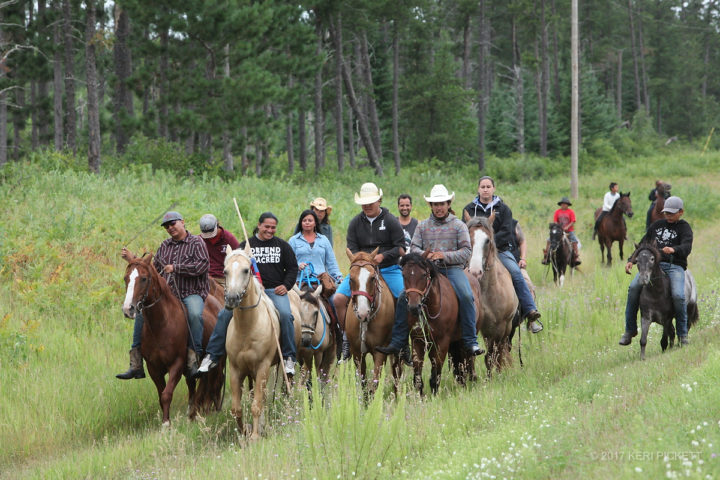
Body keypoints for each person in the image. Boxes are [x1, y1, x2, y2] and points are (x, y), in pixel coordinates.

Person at [377, 185, 484, 357]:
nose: (438, 207)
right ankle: (398, 341)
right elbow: (414, 247)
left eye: (441, 203)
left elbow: (466, 251)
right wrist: (425, 255)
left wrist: (444, 255)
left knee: (466, 295)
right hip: (426, 271)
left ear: (448, 204)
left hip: (453, 270)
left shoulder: (459, 226)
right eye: (435, 204)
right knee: (405, 296)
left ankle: (470, 340)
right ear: (431, 206)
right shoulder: (422, 226)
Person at [199, 213, 299, 377]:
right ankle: (212, 355)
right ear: (259, 225)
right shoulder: (246, 246)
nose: (270, 230)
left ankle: (288, 357)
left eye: (273, 227)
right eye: (266, 227)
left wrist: (286, 285)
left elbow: (292, 268)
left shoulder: (282, 245)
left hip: (274, 290)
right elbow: (236, 267)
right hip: (250, 293)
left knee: (286, 315)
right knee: (224, 314)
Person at [117, 211, 209, 380]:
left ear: (182, 222)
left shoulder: (197, 242)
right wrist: (133, 260)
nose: (170, 228)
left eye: (173, 224)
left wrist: (177, 268)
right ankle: (136, 362)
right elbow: (152, 270)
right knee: (141, 314)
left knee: (195, 314)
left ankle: (193, 358)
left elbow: (202, 266)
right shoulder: (165, 245)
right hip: (168, 295)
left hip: (191, 292)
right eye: (167, 226)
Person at [463, 176, 543, 333]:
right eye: (482, 186)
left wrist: (489, 242)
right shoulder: (469, 209)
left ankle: (530, 311)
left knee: (515, 273)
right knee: (458, 275)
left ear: (493, 189)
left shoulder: (504, 209)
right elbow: (465, 231)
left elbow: (507, 232)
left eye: (488, 186)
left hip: (501, 250)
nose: (485, 189)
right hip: (475, 251)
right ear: (478, 189)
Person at [333, 182, 406, 336]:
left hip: (389, 268)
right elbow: (352, 248)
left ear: (379, 201)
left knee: (404, 297)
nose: (367, 206)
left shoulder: (391, 220)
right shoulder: (355, 223)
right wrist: (365, 260)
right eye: (364, 203)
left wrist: (383, 256)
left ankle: (401, 338)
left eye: (370, 202)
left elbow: (401, 247)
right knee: (338, 299)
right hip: (361, 270)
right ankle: (346, 336)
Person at [619, 196, 693, 346]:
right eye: (666, 213)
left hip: (674, 266)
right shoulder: (657, 225)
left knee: (679, 296)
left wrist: (674, 249)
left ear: (681, 212)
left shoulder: (684, 228)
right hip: (651, 267)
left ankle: (682, 334)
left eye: (672, 213)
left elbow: (687, 247)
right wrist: (631, 260)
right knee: (633, 288)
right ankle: (629, 330)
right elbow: (642, 245)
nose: (668, 216)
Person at [288, 209, 343, 285]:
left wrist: (339, 278)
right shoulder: (293, 240)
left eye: (310, 220)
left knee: (336, 296)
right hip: (299, 281)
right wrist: (298, 265)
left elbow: (331, 262)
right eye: (304, 220)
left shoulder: (324, 240)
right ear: (301, 223)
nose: (307, 222)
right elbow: (288, 262)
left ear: (315, 223)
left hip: (321, 281)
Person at [198, 214, 240, 288]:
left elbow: (239, 256)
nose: (209, 236)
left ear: (217, 225)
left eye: (211, 233)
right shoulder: (199, 240)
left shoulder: (228, 238)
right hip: (205, 278)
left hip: (224, 278)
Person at [542, 197, 581, 266]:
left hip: (569, 230)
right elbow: (555, 221)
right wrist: (558, 227)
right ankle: (546, 255)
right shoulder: (557, 212)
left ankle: (576, 256)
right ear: (560, 205)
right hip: (559, 231)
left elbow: (573, 221)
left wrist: (567, 227)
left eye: (565, 204)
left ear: (568, 205)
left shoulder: (571, 212)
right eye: (562, 204)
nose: (563, 205)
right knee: (549, 240)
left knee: (574, 240)